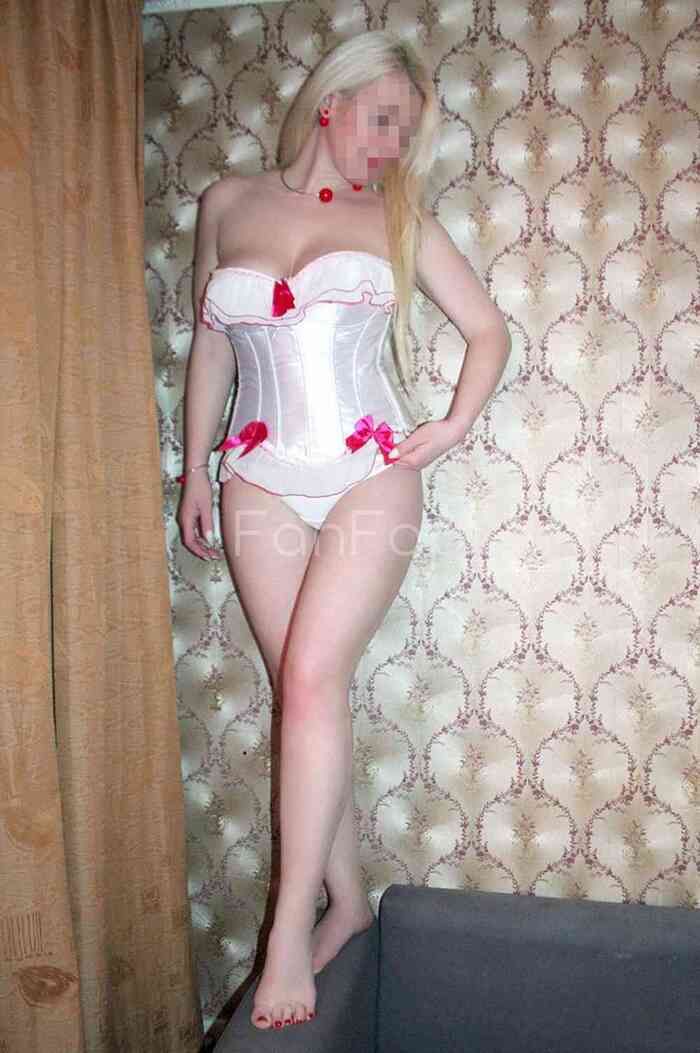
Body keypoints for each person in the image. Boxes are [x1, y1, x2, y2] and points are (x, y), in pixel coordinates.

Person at [177, 30, 511, 1033]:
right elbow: (211, 350)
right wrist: (192, 469)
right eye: (383, 121)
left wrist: (452, 422)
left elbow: (488, 329)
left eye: (407, 133)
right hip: (257, 477)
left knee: (315, 679)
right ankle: (350, 901)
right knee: (301, 692)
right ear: (331, 101)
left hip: (371, 471)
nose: (392, 147)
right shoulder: (226, 204)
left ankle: (288, 931)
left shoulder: (398, 217)